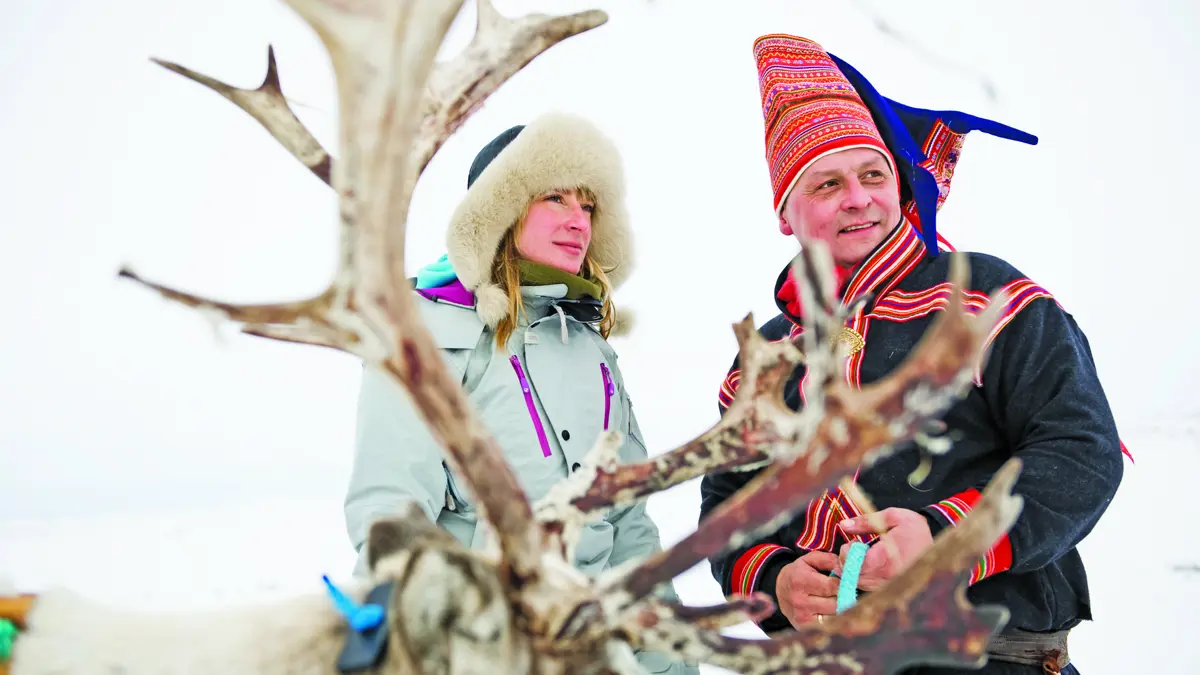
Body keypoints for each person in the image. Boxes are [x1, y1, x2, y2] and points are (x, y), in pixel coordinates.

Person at [699, 34, 1129, 674]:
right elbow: (730, 504)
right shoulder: (765, 356)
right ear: (786, 213)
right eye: (827, 183)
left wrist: (941, 537)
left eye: (874, 174)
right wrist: (776, 581)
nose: (859, 197)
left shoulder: (990, 298)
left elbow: (1080, 452)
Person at [343, 112, 698, 675]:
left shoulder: (592, 349)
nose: (578, 221)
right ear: (501, 211)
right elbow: (390, 510)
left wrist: (669, 661)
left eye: (588, 206)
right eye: (555, 198)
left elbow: (628, 526)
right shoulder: (425, 334)